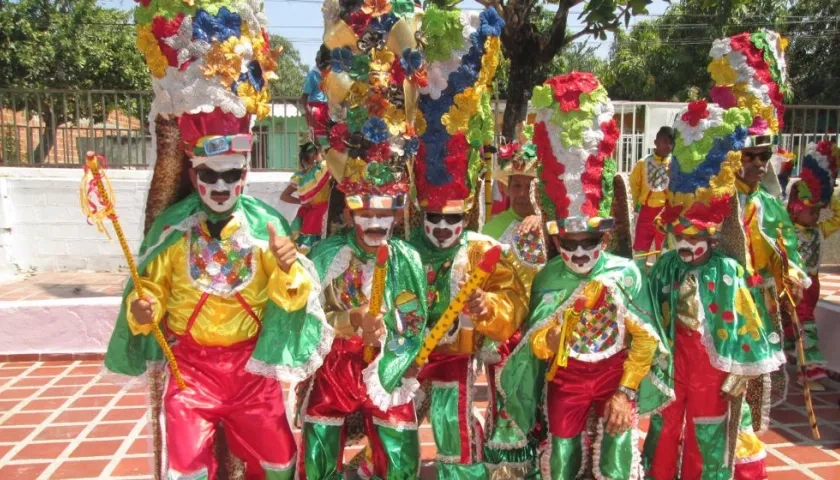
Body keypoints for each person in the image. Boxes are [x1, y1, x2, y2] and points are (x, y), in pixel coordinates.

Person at [103, 109, 331, 480]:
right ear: (195, 176)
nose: (221, 185)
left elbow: (291, 298)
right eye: (210, 175)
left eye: (232, 175)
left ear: (244, 175)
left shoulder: (265, 227)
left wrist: (288, 267)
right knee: (186, 468)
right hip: (190, 374)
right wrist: (144, 308)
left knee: (278, 461)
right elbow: (152, 286)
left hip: (253, 374)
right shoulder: (174, 230)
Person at [495, 72, 672, 480]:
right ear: (555, 239)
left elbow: (646, 338)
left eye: (588, 241)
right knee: (561, 461)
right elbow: (535, 341)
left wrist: (626, 391)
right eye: (568, 243)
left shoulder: (625, 273)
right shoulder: (549, 277)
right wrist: (548, 340)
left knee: (617, 458)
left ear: (605, 237)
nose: (578, 252)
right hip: (566, 380)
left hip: (614, 375)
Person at [409, 5, 524, 478]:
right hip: (404, 358)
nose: (441, 228)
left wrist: (487, 307)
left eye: (451, 219)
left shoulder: (480, 250)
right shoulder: (406, 250)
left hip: (454, 358)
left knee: (452, 424)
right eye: (433, 218)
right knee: (391, 428)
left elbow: (513, 299)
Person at [642, 101, 786, 479]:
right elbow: (647, 308)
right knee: (665, 424)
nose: (687, 247)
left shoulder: (726, 271)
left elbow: (747, 323)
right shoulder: (667, 266)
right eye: (680, 238)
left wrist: (738, 374)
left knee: (705, 431)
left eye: (696, 239)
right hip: (673, 362)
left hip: (713, 366)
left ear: (712, 237)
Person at [709, 29, 810, 479]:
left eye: (763, 155)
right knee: (723, 375)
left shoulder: (769, 202)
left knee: (757, 376)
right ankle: (724, 439)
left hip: (760, 299)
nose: (757, 164)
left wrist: (794, 274)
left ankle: (747, 440)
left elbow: (786, 243)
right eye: (750, 155)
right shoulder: (717, 201)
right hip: (724, 302)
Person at [784, 140, 840, 391]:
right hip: (796, 285)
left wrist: (829, 195)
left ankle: (790, 357)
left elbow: (837, 217)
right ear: (796, 210)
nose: (816, 216)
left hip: (814, 284)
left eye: (818, 212)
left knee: (794, 325)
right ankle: (810, 372)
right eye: (811, 211)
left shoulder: (818, 230)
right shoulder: (789, 232)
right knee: (805, 324)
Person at [483, 121, 546, 291]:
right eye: (517, 185)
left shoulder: (552, 226)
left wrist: (542, 222)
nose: (523, 193)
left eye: (530, 186)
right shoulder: (490, 230)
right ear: (507, 189)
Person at [629, 126, 674, 265]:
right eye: (665, 141)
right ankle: (639, 273)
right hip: (646, 212)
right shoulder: (643, 163)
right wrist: (635, 206)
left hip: (665, 213)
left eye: (671, 142)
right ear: (656, 142)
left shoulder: (674, 164)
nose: (668, 146)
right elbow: (633, 186)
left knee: (664, 250)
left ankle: (661, 275)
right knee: (641, 247)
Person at [280, 141, 332, 254]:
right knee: (309, 244)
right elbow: (284, 196)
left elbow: (284, 196)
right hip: (313, 213)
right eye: (314, 152)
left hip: (320, 212)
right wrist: (302, 202)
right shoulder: (307, 174)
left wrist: (302, 202)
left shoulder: (322, 170)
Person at [301, 45, 330, 145]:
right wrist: (309, 114)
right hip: (315, 109)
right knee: (317, 139)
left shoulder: (329, 73)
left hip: (328, 108)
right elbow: (303, 97)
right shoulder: (312, 75)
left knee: (329, 138)